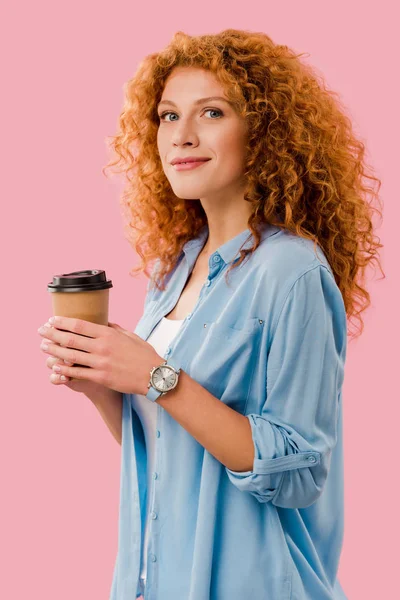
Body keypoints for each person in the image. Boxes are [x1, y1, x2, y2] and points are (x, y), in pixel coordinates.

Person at [39, 29, 384, 600]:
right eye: (169, 116)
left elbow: (299, 471)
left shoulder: (291, 271)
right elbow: (173, 454)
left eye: (212, 112)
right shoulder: (175, 269)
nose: (183, 136)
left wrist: (155, 377)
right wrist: (103, 384)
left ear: (263, 133)